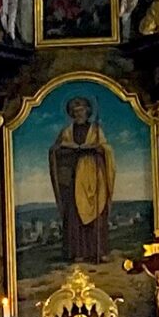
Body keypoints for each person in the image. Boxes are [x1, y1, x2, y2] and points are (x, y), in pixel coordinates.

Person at [49, 96, 115, 263]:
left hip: (94, 176)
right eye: (75, 111)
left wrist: (96, 149)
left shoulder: (96, 130)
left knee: (97, 215)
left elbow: (106, 150)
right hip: (73, 178)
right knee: (74, 217)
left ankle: (98, 252)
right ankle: (77, 252)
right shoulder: (67, 132)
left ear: (88, 111)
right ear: (71, 114)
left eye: (82, 110)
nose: (79, 114)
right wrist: (69, 149)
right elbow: (55, 150)